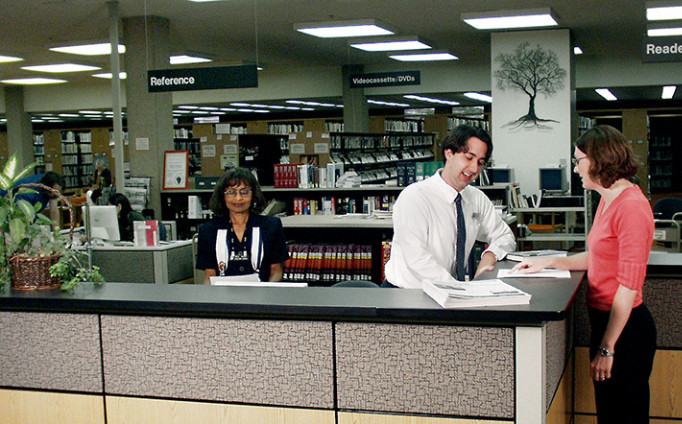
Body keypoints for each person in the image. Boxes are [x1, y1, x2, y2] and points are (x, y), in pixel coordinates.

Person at [512, 125, 656, 423]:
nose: (576, 169)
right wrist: (549, 262)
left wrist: (607, 347)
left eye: (578, 160)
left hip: (625, 333)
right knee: (610, 412)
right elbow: (598, 256)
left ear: (599, 160)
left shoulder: (631, 207)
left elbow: (629, 287)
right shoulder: (608, 199)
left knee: (625, 415)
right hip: (606, 323)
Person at [383, 124, 515, 288]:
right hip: (407, 294)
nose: (474, 168)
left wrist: (490, 254)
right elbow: (417, 260)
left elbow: (505, 236)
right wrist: (459, 291)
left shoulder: (476, 198)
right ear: (449, 153)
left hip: (448, 292)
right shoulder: (415, 197)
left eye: (480, 162)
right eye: (468, 158)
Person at [196, 167, 289, 284]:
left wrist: (265, 295)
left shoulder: (271, 226)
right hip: (223, 298)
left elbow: (276, 271)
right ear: (222, 196)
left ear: (254, 194)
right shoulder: (208, 231)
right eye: (231, 192)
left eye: (244, 192)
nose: (238, 198)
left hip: (263, 296)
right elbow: (210, 275)